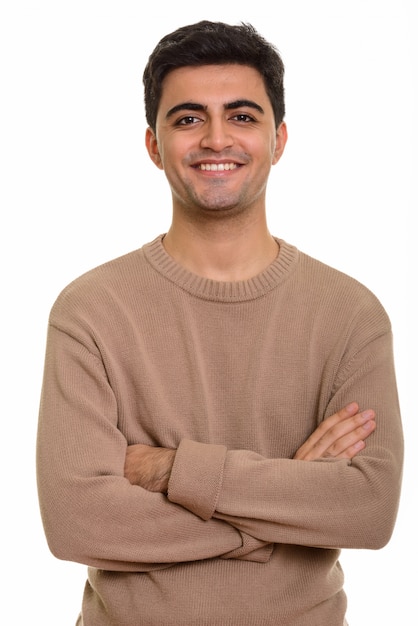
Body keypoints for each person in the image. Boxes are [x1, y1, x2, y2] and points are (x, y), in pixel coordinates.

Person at [36, 20, 404, 626]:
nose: (215, 139)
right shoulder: (90, 311)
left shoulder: (350, 315)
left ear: (278, 138)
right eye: (187, 119)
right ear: (154, 145)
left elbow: (367, 510)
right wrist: (281, 512)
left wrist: (168, 470)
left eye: (241, 116)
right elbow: (77, 522)